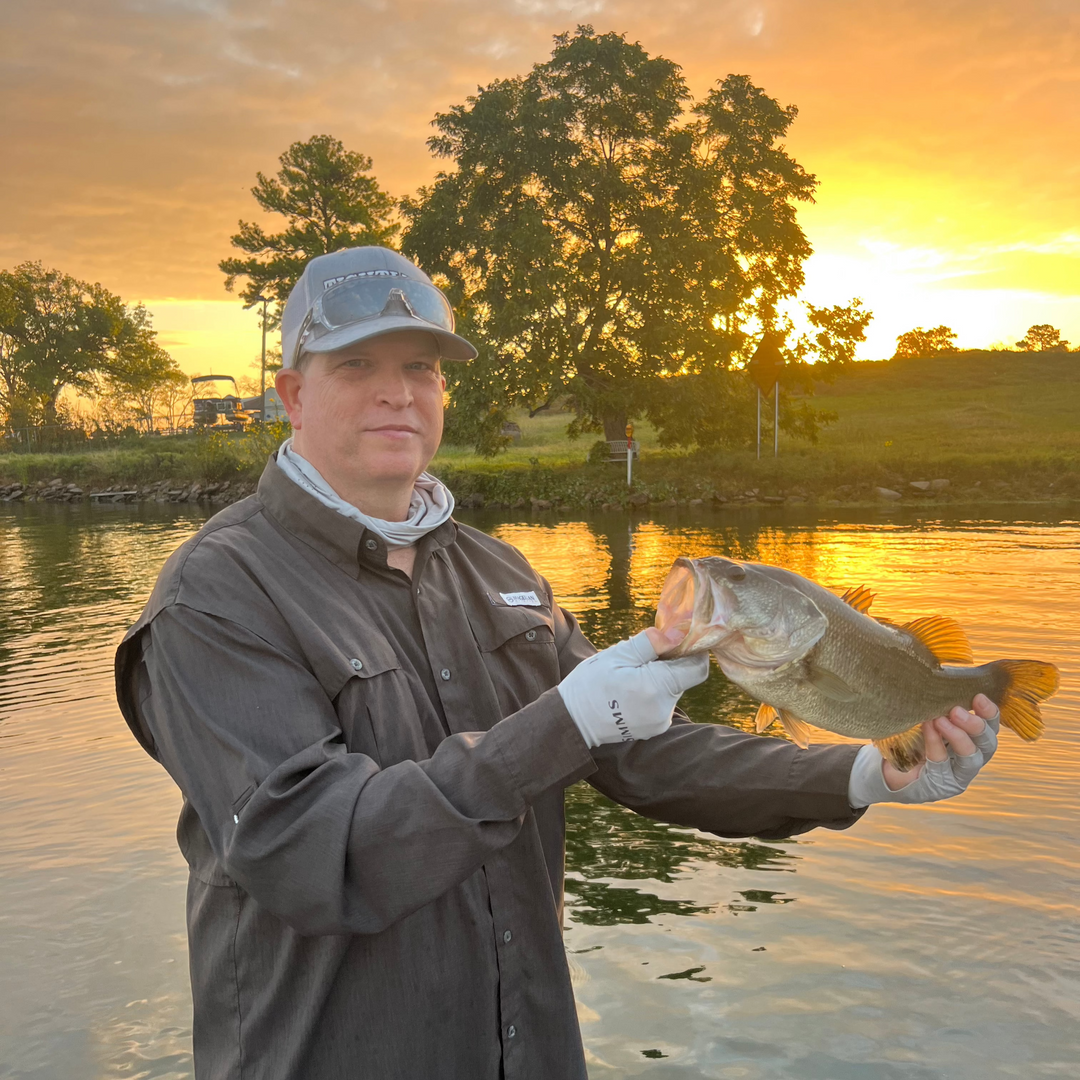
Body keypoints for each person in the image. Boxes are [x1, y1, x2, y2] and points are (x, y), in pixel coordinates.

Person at [115, 246, 1000, 1080]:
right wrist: (562, 721)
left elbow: (643, 753)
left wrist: (859, 774)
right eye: (356, 367)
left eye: (419, 367)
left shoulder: (502, 573)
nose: (397, 394)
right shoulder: (214, 595)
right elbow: (310, 849)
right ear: (293, 395)